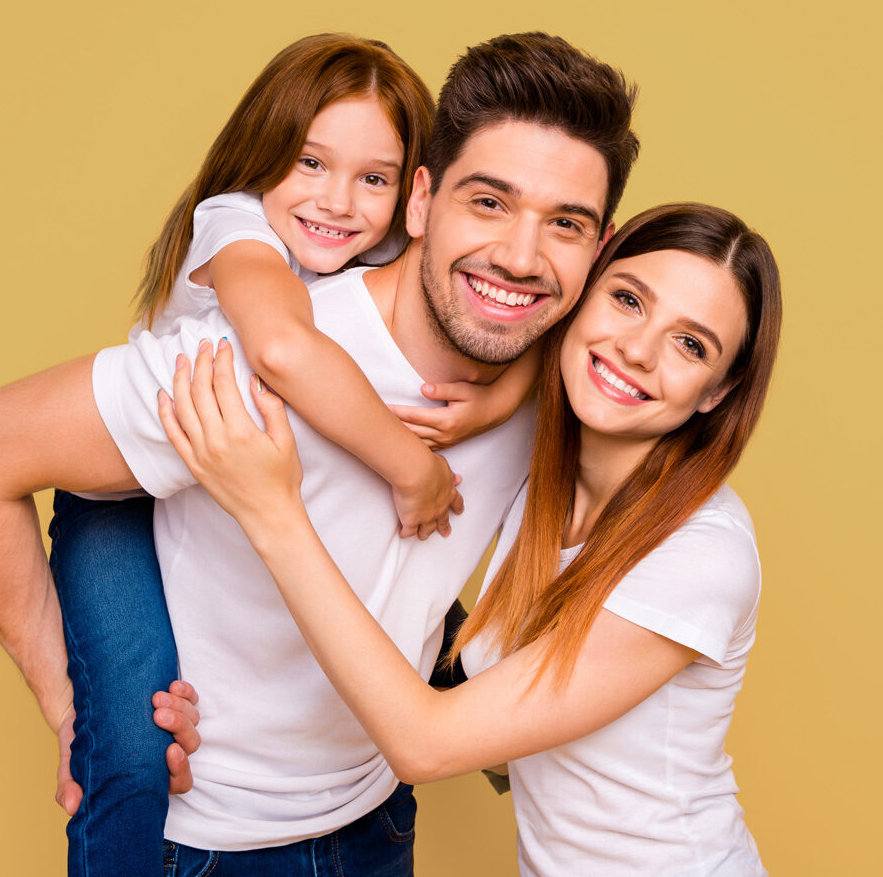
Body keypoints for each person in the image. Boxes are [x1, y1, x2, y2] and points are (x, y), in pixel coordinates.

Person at [0, 31, 639, 875]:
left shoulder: (575, 374)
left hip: (376, 821)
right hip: (205, 847)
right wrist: (72, 704)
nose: (521, 254)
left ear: (601, 245)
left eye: (566, 224)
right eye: (489, 203)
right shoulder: (243, 361)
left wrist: (513, 391)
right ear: (423, 200)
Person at [162, 202, 781, 876]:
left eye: (692, 345)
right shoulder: (543, 463)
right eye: (628, 300)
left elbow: (426, 744)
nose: (638, 348)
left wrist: (270, 510)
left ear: (717, 392)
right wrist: (190, 695)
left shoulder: (700, 554)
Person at [48, 32, 535, 877]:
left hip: (352, 797)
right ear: (263, 154)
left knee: (428, 642)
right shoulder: (236, 224)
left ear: (414, 194)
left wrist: (501, 393)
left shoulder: (390, 253)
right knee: (131, 739)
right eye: (309, 163)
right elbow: (281, 348)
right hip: (122, 497)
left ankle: (470, 709)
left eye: (374, 179)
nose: (340, 202)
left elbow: (534, 301)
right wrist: (412, 466)